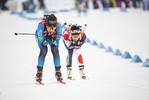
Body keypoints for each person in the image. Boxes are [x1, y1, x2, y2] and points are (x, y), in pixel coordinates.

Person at [35, 14, 63, 84]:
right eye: (49, 27)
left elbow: (56, 43)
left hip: (52, 38)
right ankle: (39, 73)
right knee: (43, 50)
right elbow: (42, 44)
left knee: (55, 50)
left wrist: (52, 40)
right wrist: (46, 41)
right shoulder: (40, 27)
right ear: (46, 25)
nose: (51, 29)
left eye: (53, 28)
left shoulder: (59, 27)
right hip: (42, 37)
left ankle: (58, 73)